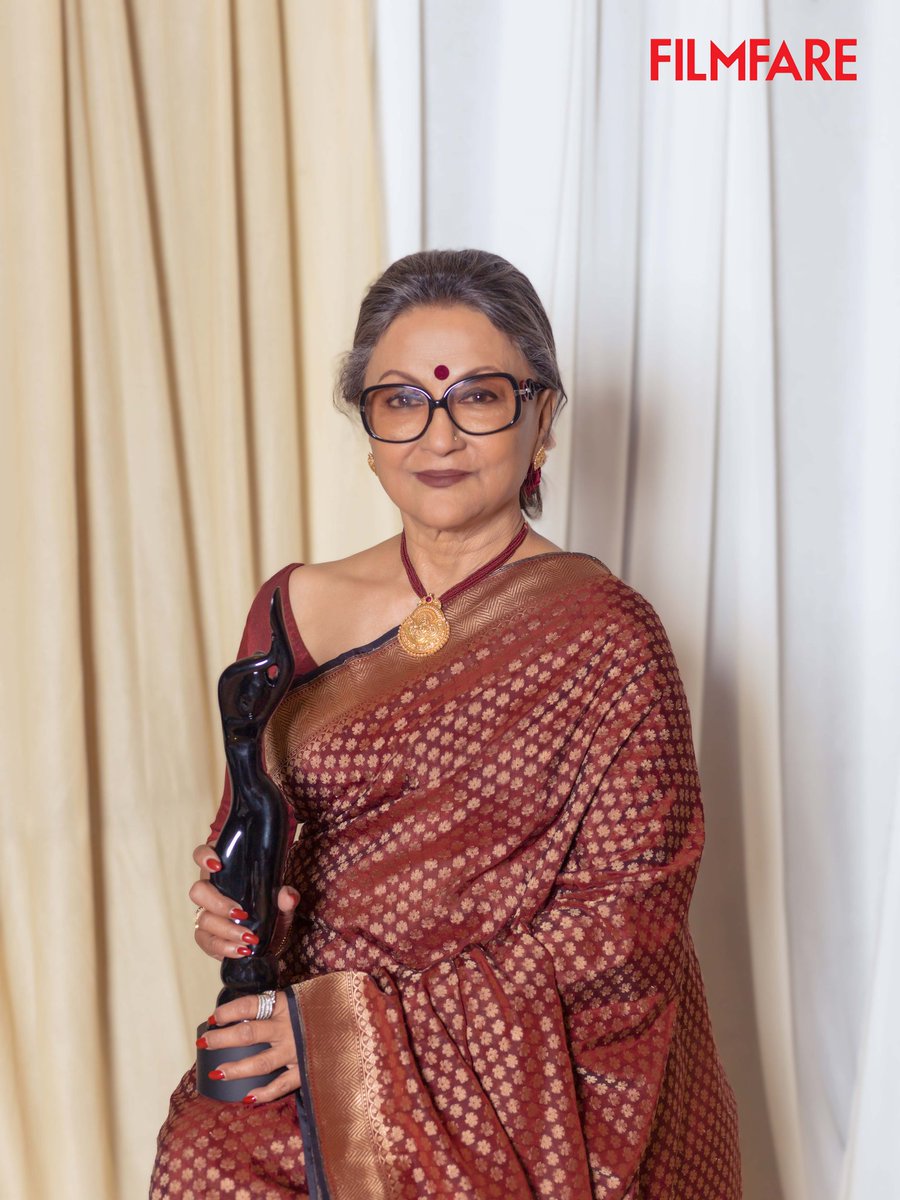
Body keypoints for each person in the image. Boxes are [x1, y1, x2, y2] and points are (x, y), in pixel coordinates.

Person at [151, 249, 741, 1199]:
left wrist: (357, 1036)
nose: (439, 436)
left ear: (541, 415)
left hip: (517, 1072)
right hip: (299, 1019)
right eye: (401, 400)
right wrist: (231, 907)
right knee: (207, 1158)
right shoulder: (293, 604)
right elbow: (248, 818)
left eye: (477, 397)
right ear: (370, 426)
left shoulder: (605, 634)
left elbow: (629, 920)